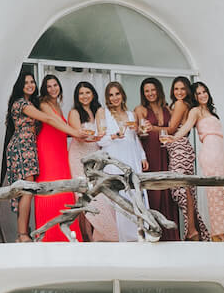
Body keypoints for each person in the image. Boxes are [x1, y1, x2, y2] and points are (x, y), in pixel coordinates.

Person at [23, 74, 87, 242]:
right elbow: (51, 121)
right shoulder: (44, 104)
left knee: (65, 187)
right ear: (44, 89)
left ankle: (67, 233)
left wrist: (83, 135)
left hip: (60, 150)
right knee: (51, 186)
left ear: (60, 87)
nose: (53, 89)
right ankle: (49, 235)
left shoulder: (58, 105)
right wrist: (74, 132)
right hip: (47, 149)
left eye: (55, 85)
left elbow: (63, 128)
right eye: (49, 86)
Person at [97, 80, 148, 240]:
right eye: (111, 95)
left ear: (122, 95)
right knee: (120, 194)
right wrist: (113, 136)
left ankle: (140, 233)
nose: (114, 98)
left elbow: (134, 139)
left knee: (135, 192)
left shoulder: (132, 115)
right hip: (114, 156)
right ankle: (123, 237)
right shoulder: (102, 113)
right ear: (107, 97)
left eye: (117, 94)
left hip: (131, 156)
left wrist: (143, 156)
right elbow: (99, 140)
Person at [190, 81, 224, 241]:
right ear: (194, 97)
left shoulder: (210, 111)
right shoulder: (195, 111)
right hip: (210, 153)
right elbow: (185, 127)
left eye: (204, 92)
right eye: (198, 93)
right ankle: (218, 233)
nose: (202, 95)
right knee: (215, 193)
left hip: (221, 154)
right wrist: (173, 137)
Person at [67, 81, 112, 241]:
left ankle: (99, 233)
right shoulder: (74, 112)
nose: (84, 96)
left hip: (95, 154)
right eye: (81, 93)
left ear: (93, 94)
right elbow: (79, 135)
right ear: (77, 97)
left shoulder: (98, 111)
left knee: (98, 194)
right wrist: (95, 136)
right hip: (79, 156)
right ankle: (84, 235)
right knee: (82, 193)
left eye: (87, 92)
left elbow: (103, 132)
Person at [134, 77, 178, 238]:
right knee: (153, 192)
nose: (150, 93)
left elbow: (173, 129)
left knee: (168, 191)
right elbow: (137, 133)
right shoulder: (140, 109)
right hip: (150, 153)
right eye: (147, 91)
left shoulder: (168, 108)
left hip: (166, 153)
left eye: (153, 90)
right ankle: (153, 233)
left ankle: (171, 234)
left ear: (158, 90)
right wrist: (142, 130)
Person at [0, 72, 40, 241]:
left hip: (28, 147)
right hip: (21, 147)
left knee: (25, 190)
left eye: (32, 82)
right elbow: (44, 117)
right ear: (20, 86)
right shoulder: (21, 103)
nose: (30, 85)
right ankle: (23, 234)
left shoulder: (30, 102)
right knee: (27, 189)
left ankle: (21, 233)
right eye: (26, 83)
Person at [165, 76, 202, 241]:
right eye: (176, 89)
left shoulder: (180, 104)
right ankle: (193, 229)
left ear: (187, 90)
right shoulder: (181, 105)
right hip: (180, 148)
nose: (179, 92)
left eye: (182, 89)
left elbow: (172, 129)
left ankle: (192, 229)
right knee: (185, 187)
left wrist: (153, 129)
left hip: (180, 147)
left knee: (181, 187)